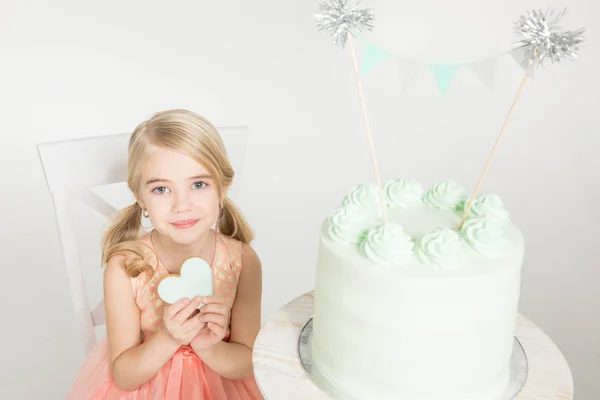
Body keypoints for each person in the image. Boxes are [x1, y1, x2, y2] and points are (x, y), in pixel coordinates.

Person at [67, 109, 264, 399]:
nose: (181, 205)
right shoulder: (126, 267)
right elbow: (124, 375)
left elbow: (246, 363)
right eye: (161, 189)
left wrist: (208, 344)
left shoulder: (243, 261)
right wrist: (169, 337)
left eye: (198, 184)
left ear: (222, 188)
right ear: (139, 196)